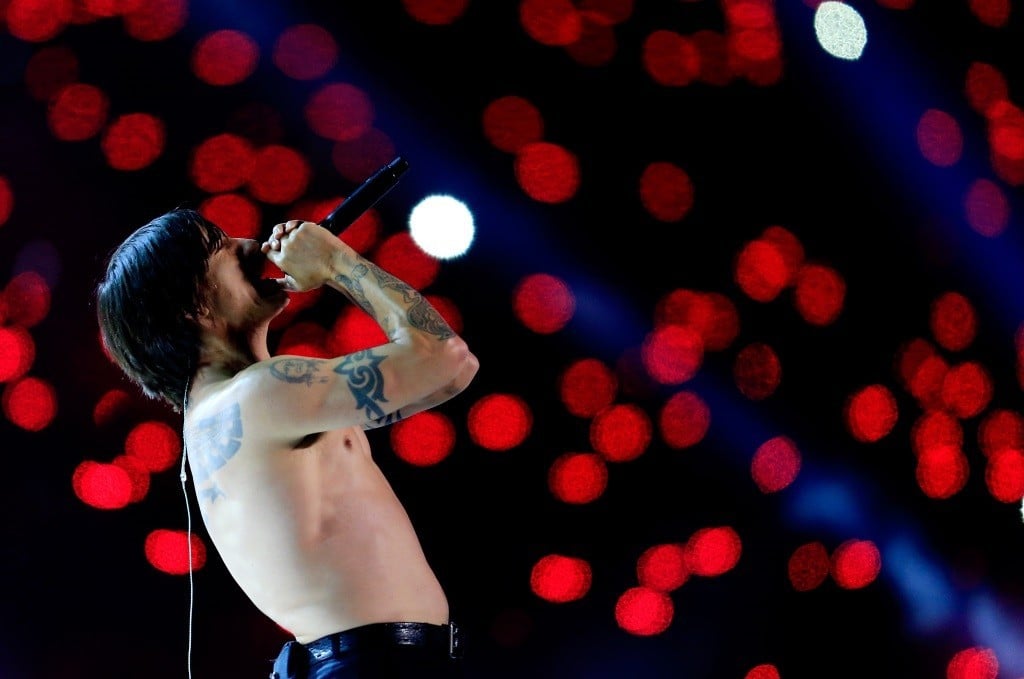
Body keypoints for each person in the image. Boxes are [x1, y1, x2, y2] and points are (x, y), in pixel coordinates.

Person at [95, 207, 480, 678]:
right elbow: (444, 356)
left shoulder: (225, 413)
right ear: (191, 307)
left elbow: (454, 374)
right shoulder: (261, 392)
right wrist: (336, 261)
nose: (250, 245)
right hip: (376, 665)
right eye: (221, 247)